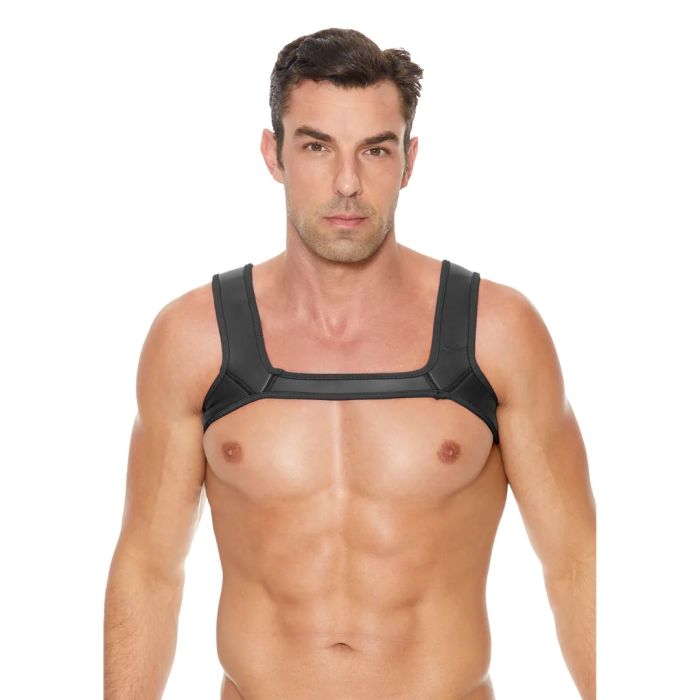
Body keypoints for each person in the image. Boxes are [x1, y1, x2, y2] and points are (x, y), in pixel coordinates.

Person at [103, 27, 596, 700]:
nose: (346, 183)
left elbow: (575, 564)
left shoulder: (497, 332)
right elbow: (150, 568)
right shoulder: (195, 339)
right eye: (316, 146)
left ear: (409, 161)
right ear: (273, 154)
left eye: (375, 149)